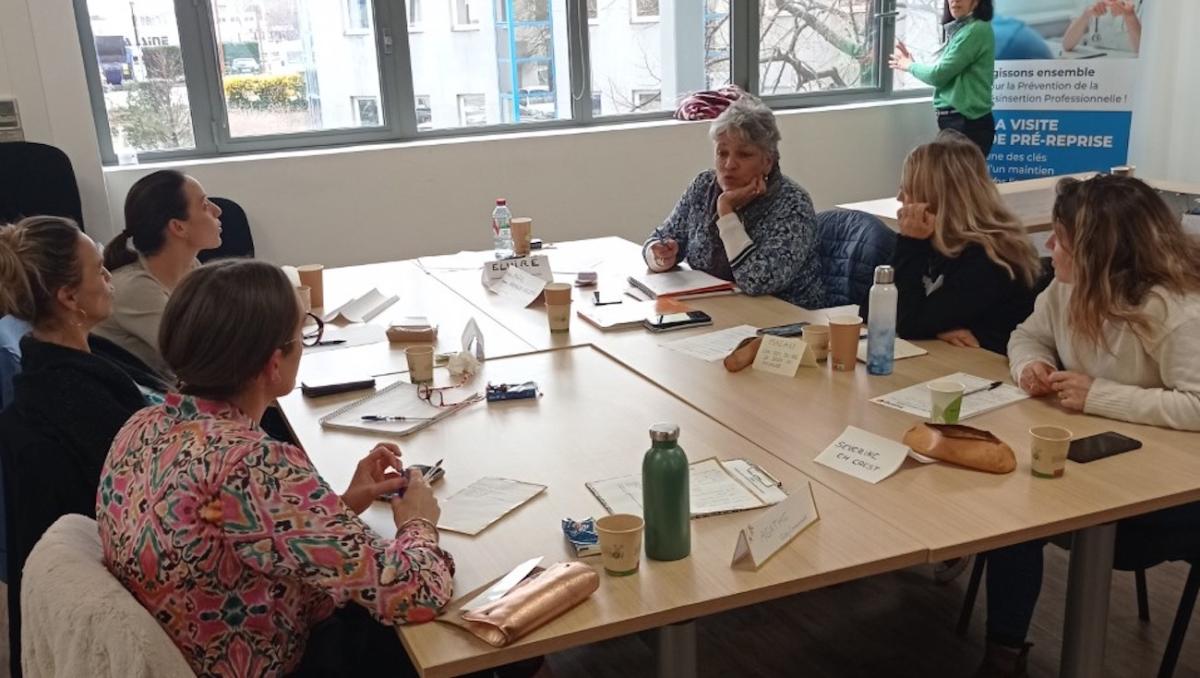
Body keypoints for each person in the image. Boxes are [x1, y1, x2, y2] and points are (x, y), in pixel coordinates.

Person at [96, 259, 454, 678]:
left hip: (198, 643)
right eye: (302, 334)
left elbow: (235, 531)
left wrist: (335, 507)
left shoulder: (141, 426)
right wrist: (418, 523)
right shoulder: (255, 466)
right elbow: (414, 592)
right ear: (273, 363)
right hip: (286, 661)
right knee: (464, 633)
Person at [978, 175, 1200, 676]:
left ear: (1100, 249)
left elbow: (1198, 404)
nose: (1049, 247)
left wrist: (1099, 396)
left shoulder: (1174, 310)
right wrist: (1028, 365)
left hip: (1168, 495)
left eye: (1061, 238)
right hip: (1099, 461)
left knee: (1027, 508)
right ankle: (1004, 651)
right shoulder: (1066, 287)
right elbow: (1025, 336)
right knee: (1014, 507)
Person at [0, 216, 169, 677]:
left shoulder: (78, 357)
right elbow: (158, 510)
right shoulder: (76, 403)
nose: (111, 278)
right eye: (100, 270)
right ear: (69, 297)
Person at [862, 130, 1042, 355]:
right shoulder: (932, 242)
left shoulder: (989, 258)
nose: (899, 198)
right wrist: (934, 328)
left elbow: (906, 323)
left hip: (993, 374)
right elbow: (872, 311)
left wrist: (910, 243)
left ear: (935, 199)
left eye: (906, 190)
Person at [643, 94, 825, 309]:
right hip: (719, 312)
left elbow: (756, 282)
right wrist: (660, 256)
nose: (729, 165)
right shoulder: (704, 186)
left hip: (786, 321)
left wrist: (726, 212)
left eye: (744, 155)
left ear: (767, 161)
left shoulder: (793, 203)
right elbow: (661, 237)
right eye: (722, 153)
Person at [96, 169, 222, 378]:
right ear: (178, 227)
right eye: (205, 205)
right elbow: (199, 357)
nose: (217, 211)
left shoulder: (190, 267)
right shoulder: (136, 288)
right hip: (153, 404)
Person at [890, 0, 996, 157]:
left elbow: (937, 75)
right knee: (952, 180)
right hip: (958, 122)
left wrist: (909, 65)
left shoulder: (975, 30)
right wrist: (912, 63)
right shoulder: (962, 29)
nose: (954, 1)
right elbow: (942, 71)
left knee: (958, 181)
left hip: (967, 122)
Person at [1062, 0, 1142, 54]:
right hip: (1098, 65)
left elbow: (1146, 52)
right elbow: (1067, 44)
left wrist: (1130, 17)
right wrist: (1086, 15)